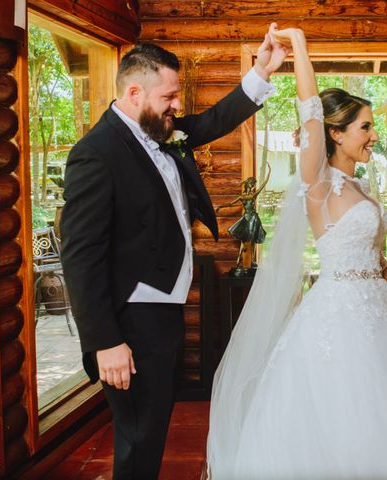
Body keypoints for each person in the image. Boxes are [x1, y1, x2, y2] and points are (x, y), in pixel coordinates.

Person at [205, 27, 387, 479]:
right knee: (346, 410)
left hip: (378, 311)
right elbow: (309, 112)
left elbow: (378, 259)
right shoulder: (318, 184)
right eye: (365, 126)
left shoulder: (362, 187)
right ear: (336, 134)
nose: (374, 135)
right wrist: (300, 47)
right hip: (336, 315)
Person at [59, 27, 287, 479]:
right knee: (139, 435)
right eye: (170, 96)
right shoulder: (96, 153)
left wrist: (260, 70)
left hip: (161, 310)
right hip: (131, 318)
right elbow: (80, 255)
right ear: (134, 91)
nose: (177, 106)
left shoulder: (156, 127)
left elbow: (209, 122)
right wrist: (105, 341)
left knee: (150, 429)